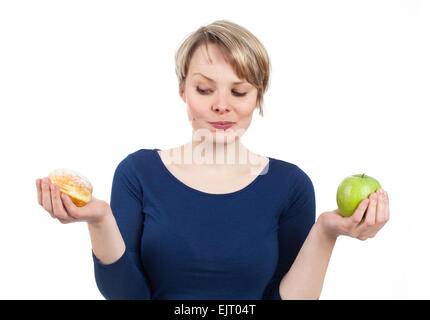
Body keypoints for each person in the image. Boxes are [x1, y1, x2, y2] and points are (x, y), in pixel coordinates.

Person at [35, 20, 390, 300]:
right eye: (205, 89)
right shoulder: (138, 173)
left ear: (257, 97)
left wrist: (326, 231)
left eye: (239, 91)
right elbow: (129, 296)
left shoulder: (291, 185)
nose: (222, 105)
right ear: (183, 91)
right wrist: (99, 220)